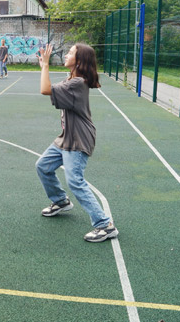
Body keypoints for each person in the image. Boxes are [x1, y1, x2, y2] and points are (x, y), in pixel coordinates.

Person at [35, 43, 118, 243]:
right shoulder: (72, 80)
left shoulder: (77, 84)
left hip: (79, 138)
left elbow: (45, 89)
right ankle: (61, 201)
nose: (66, 55)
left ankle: (104, 225)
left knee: (75, 181)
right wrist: (44, 67)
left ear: (79, 61)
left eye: (71, 53)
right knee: (43, 166)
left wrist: (45, 65)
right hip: (67, 137)